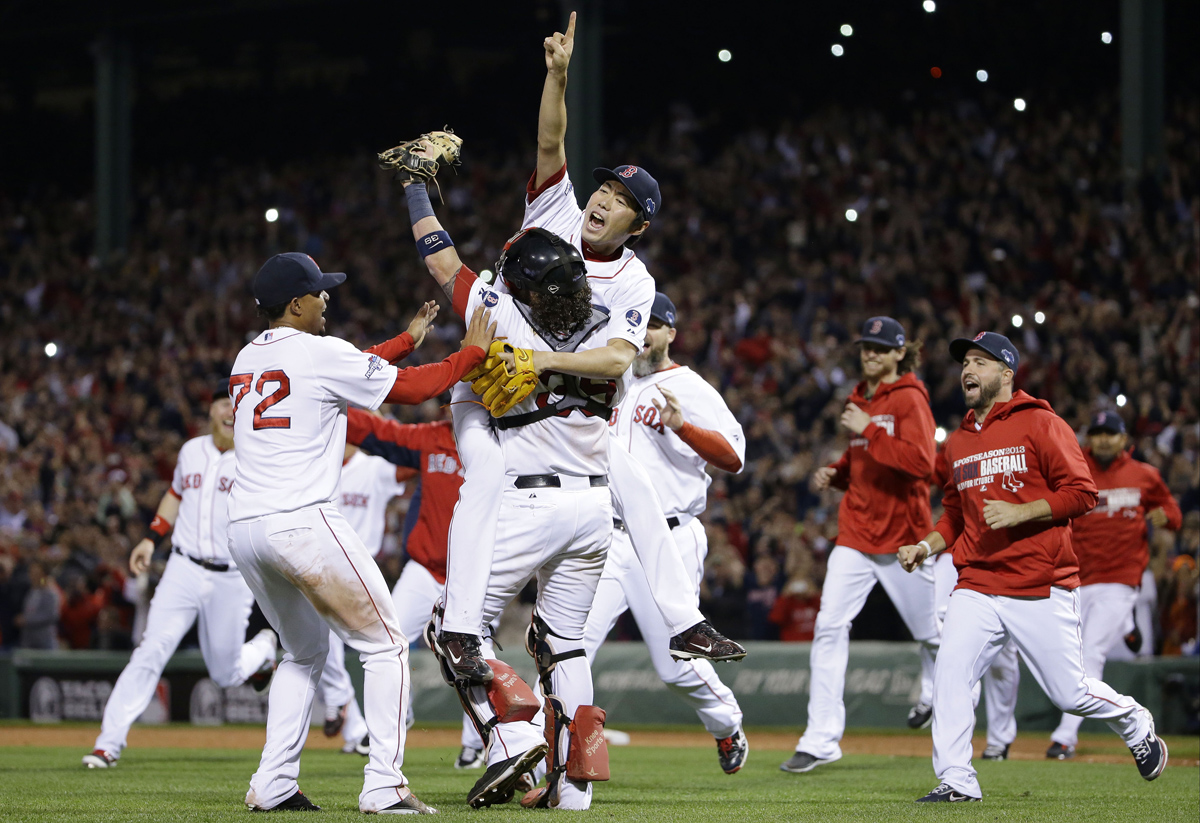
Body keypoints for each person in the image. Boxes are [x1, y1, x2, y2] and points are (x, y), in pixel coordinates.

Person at [433, 12, 744, 686]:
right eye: (604, 187)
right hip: (516, 407)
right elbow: (551, 142)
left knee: (632, 475)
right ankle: (467, 641)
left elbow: (615, 364)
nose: (604, 199)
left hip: (577, 407)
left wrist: (543, 362)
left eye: (622, 198)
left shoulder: (633, 278)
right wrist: (557, 76)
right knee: (488, 493)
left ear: (640, 224)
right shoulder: (557, 216)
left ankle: (683, 620)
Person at [225, 251, 493, 814]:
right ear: (296, 304)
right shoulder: (318, 353)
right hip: (301, 520)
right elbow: (416, 390)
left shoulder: (246, 357)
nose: (328, 298)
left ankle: (272, 783)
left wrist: (402, 340)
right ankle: (384, 784)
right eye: (319, 292)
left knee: (302, 653)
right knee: (389, 645)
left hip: (245, 529)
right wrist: (472, 351)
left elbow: (337, 370)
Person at [402, 173, 619, 810]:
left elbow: (438, 255)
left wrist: (417, 192)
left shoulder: (496, 312)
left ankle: (511, 737)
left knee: (451, 627)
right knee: (563, 642)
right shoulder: (606, 330)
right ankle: (574, 791)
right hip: (594, 508)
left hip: (532, 496)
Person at [898, 332, 1167, 802]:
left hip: (1040, 581)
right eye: (965, 362)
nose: (967, 370)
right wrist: (926, 545)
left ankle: (1134, 720)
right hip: (978, 581)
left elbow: (1083, 493)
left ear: (1006, 374)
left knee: (1070, 693)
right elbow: (956, 515)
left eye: (980, 362)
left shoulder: (1041, 422)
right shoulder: (958, 441)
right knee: (950, 674)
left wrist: (1022, 511)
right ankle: (958, 780)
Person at [583, 293, 749, 774]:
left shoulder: (689, 387)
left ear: (672, 333)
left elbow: (734, 457)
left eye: (657, 325)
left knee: (675, 666)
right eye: (641, 324)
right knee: (570, 644)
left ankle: (726, 724)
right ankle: (546, 750)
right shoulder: (612, 384)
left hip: (669, 539)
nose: (647, 333)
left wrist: (682, 425)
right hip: (609, 538)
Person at [83, 390, 278, 769]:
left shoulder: (257, 457)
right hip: (182, 567)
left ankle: (264, 649)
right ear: (209, 411)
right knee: (151, 649)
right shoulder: (191, 450)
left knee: (225, 673)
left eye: (235, 404)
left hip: (230, 575)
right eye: (222, 402)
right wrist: (150, 538)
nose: (228, 409)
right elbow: (174, 495)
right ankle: (108, 744)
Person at [781, 317, 940, 774]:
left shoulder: (910, 398)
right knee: (829, 626)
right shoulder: (860, 396)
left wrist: (871, 428)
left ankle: (933, 692)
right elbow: (862, 459)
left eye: (878, 348)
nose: (869, 354)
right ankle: (821, 738)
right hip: (855, 533)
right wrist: (838, 472)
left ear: (898, 354)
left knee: (932, 634)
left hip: (903, 539)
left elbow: (921, 464)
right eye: (865, 347)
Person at [343, 406, 490, 769]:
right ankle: (396, 720)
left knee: (479, 661)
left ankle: (477, 745)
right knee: (383, 639)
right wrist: (335, 403)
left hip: (475, 574)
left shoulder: (503, 441)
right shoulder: (433, 436)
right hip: (424, 570)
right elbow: (382, 432)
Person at [1045, 410, 1181, 760]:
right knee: (1069, 652)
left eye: (1111, 433)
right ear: (1088, 437)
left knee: (1090, 653)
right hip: (1076, 577)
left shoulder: (1144, 475)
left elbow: (1172, 511)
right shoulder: (1073, 470)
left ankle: (1064, 737)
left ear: (1125, 440)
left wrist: (1169, 517)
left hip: (1121, 579)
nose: (1104, 439)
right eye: (1098, 433)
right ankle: (1127, 625)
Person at [317, 438, 413, 756]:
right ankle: (353, 721)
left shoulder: (373, 467)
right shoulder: (318, 464)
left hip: (362, 571)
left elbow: (412, 462)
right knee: (321, 643)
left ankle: (383, 716)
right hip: (322, 568)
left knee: (380, 649)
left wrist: (385, 433)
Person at [930, 446, 1022, 762]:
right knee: (951, 644)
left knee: (1010, 662)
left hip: (1011, 559)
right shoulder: (959, 447)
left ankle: (999, 737)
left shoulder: (1016, 450)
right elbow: (947, 503)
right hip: (960, 558)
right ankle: (957, 756)